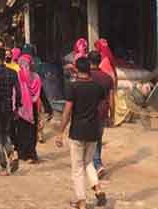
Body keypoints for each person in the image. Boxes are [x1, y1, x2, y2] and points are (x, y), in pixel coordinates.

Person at [56, 57, 107, 209]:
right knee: (89, 162)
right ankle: (97, 188)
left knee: (77, 168)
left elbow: (67, 111)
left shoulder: (73, 87)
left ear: (76, 69)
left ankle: (82, 201)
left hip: (77, 131)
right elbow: (101, 106)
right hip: (93, 131)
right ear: (89, 69)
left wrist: (60, 132)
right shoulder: (98, 87)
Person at [0, 47, 22, 175]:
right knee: (6, 134)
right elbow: (18, 92)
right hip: (8, 106)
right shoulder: (13, 72)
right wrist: (17, 107)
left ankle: (3, 166)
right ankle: (12, 155)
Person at [88, 51, 113, 179]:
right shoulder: (107, 78)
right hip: (103, 111)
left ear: (89, 61)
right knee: (97, 138)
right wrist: (112, 115)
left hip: (88, 112)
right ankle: (96, 164)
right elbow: (111, 98)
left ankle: (96, 164)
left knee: (89, 140)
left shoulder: (86, 76)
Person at [14, 54, 42, 163]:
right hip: (33, 107)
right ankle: (31, 153)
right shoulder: (36, 77)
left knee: (22, 130)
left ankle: (23, 154)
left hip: (21, 108)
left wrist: (14, 107)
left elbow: (15, 92)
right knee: (32, 131)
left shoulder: (18, 76)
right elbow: (39, 93)